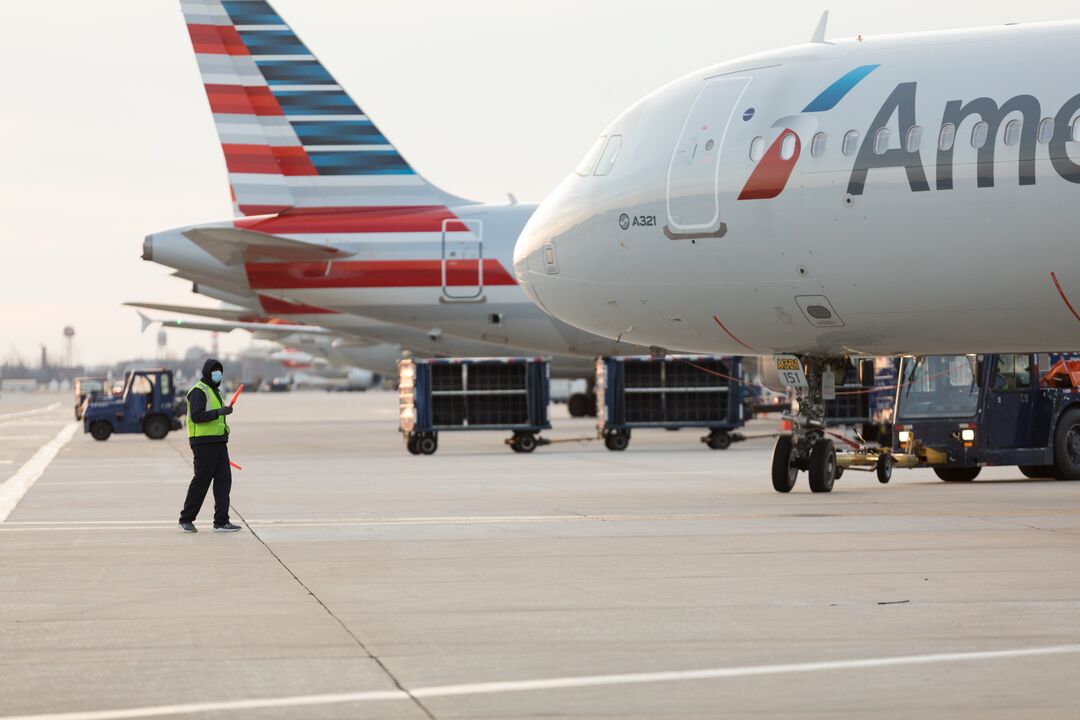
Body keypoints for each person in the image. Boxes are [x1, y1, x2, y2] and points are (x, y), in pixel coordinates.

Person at [178, 358, 241, 533]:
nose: (217, 373)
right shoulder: (199, 391)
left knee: (224, 481)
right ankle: (186, 518)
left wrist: (222, 415)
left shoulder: (216, 391)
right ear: (206, 372)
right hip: (203, 443)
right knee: (201, 481)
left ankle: (221, 521)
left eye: (219, 370)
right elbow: (197, 416)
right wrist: (219, 412)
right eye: (214, 370)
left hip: (219, 441)